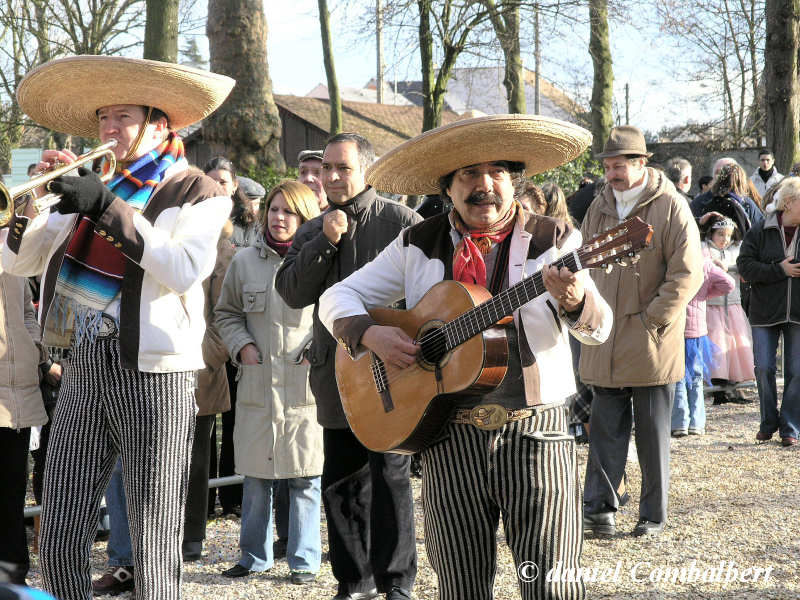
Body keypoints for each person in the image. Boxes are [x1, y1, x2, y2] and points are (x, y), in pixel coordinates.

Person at [318, 114, 614, 600]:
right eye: (469, 174)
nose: (485, 185)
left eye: (497, 172)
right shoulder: (417, 242)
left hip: (535, 431)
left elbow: (599, 329)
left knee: (553, 583)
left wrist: (576, 300)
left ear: (514, 181)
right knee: (460, 586)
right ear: (448, 186)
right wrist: (370, 334)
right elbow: (336, 298)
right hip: (446, 435)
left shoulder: (555, 240)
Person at [3, 55, 234, 600]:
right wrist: (30, 207)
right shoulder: (91, 185)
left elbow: (181, 269)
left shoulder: (199, 190)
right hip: (83, 359)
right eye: (103, 117)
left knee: (154, 538)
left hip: (155, 373)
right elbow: (18, 262)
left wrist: (106, 206)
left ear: (158, 124)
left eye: (123, 116)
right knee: (59, 530)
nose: (108, 128)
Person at [275, 132, 421, 600]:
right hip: (335, 373)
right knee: (342, 482)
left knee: (391, 475)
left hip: (395, 371)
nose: (333, 177)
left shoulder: (402, 222)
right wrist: (325, 240)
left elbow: (429, 294)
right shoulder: (310, 230)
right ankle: (353, 581)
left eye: (343, 167)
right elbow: (292, 293)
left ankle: (396, 582)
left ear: (367, 170)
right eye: (327, 168)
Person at [580, 125, 703, 538]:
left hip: (651, 339)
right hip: (604, 337)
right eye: (608, 166)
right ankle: (599, 509)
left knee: (652, 436)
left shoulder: (671, 206)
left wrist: (652, 320)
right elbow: (583, 265)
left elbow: (687, 274)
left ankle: (652, 514)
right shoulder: (598, 207)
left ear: (641, 163)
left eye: (619, 166)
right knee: (604, 431)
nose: (611, 174)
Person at [216, 180, 323, 585]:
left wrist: (317, 349)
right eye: (274, 209)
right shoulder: (244, 262)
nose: (279, 218)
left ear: (305, 217)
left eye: (289, 212)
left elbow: (335, 311)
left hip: (303, 382)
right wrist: (241, 345)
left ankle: (304, 560)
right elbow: (226, 313)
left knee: (305, 476)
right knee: (256, 476)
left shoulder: (321, 260)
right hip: (258, 381)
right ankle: (253, 556)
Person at [737, 177, 800, 447]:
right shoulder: (760, 230)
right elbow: (744, 266)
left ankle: (790, 427)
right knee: (763, 368)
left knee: (797, 371)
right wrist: (779, 270)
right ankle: (767, 422)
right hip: (764, 311)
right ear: (789, 202)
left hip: (798, 314)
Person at [0, 234, 47, 586]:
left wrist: (36, 348)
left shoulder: (12, 250)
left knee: (13, 492)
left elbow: (28, 311)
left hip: (19, 392)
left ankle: (13, 576)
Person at [670, 253, 734, 437]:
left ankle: (680, 422)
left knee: (677, 376)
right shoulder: (704, 264)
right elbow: (728, 283)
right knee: (696, 377)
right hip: (697, 330)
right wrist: (706, 294)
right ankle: (697, 423)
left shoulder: (672, 261)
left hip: (675, 328)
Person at [703, 217, 755, 405]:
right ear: (711, 234)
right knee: (717, 344)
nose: (725, 239)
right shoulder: (705, 250)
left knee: (735, 344)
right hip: (713, 305)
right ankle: (717, 387)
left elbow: (745, 271)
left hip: (733, 305)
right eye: (720, 235)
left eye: (728, 236)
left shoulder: (736, 250)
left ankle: (736, 387)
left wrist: (733, 268)